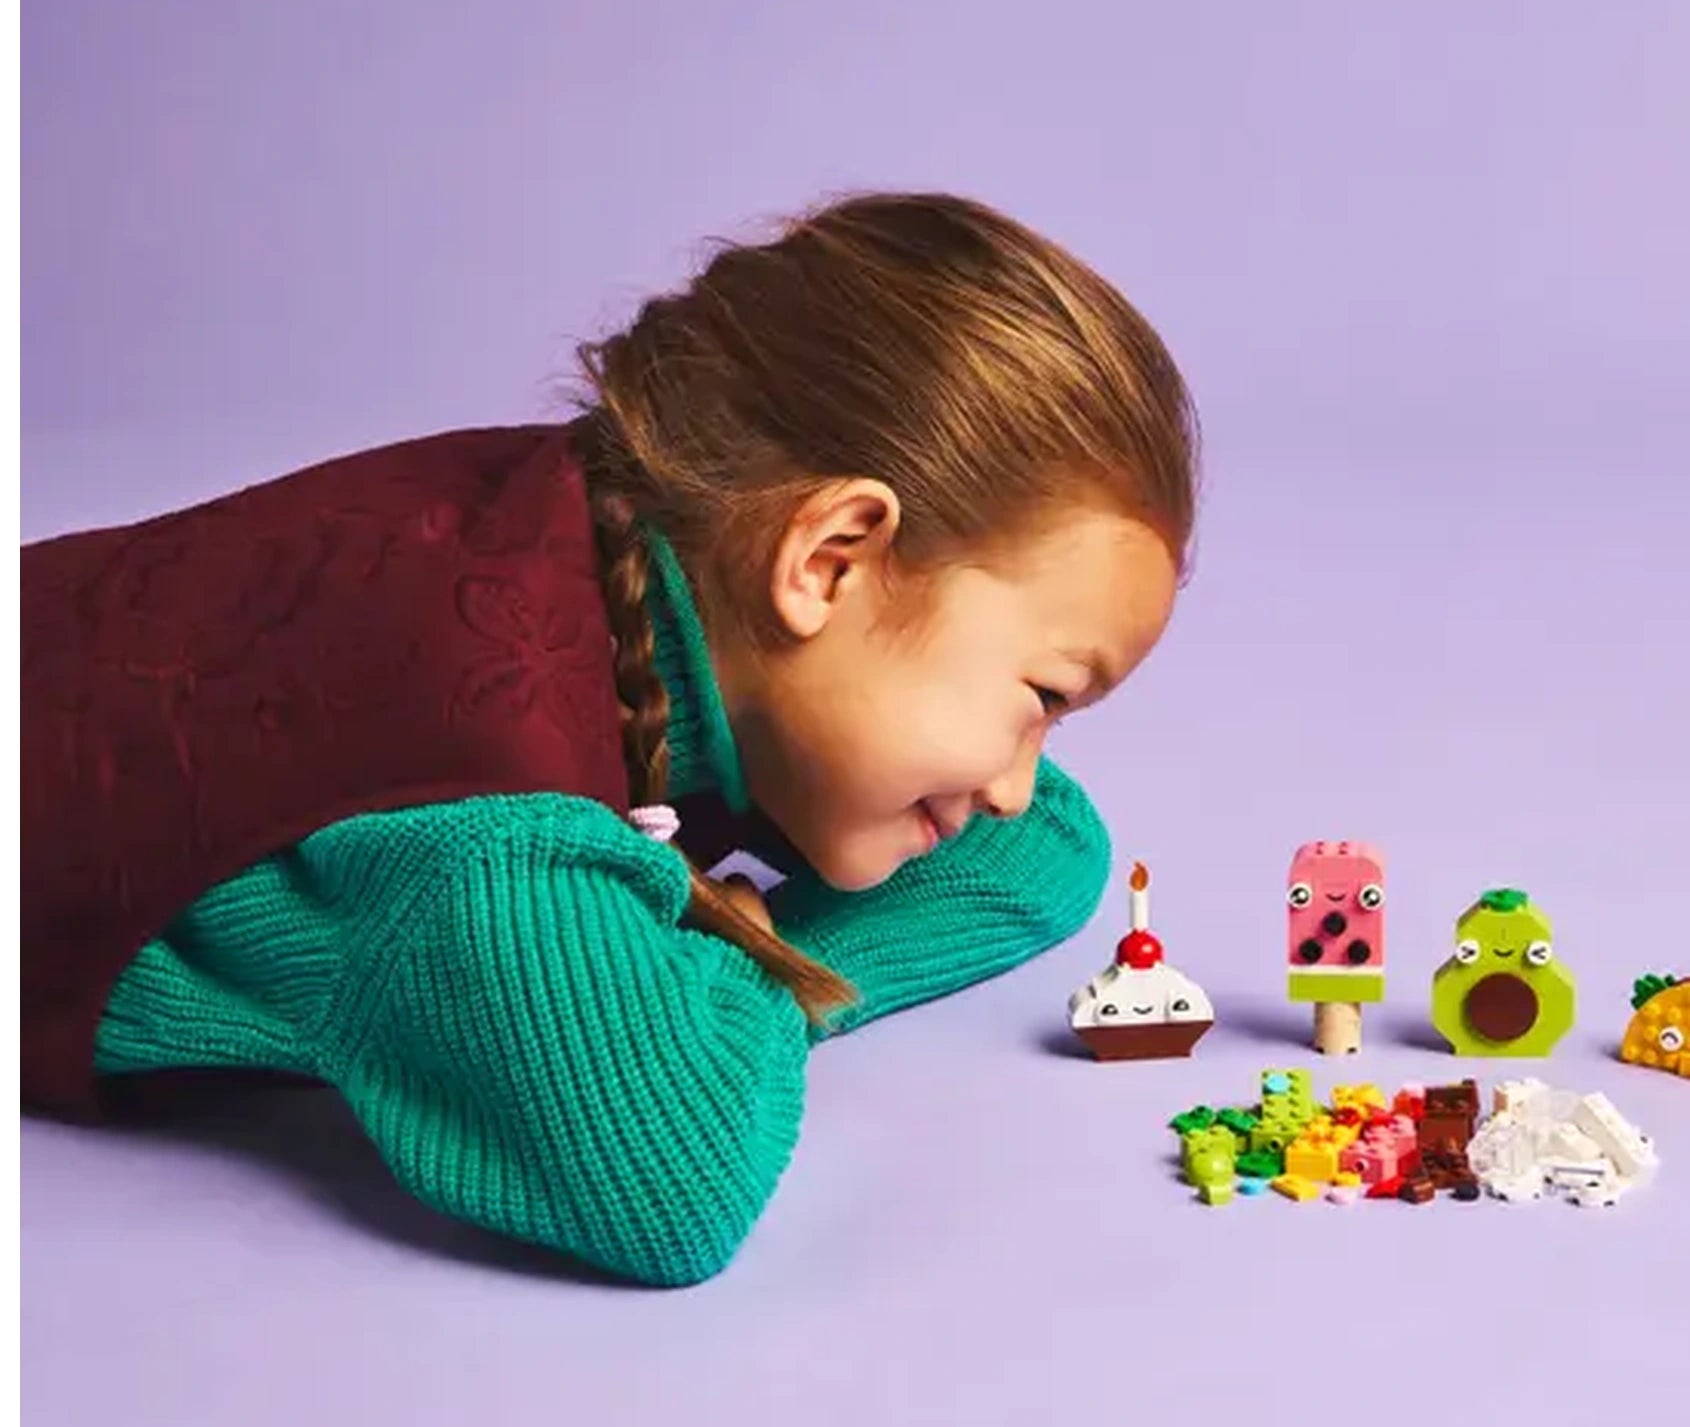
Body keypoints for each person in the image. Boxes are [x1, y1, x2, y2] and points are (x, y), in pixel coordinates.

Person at [20, 192, 1197, 1286]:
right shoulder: (483, 833)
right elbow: (667, 1184)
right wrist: (758, 970)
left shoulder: (642, 557)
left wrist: (729, 957)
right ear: (830, 560)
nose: (1015, 782)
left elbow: (1048, 844)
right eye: (1042, 693)